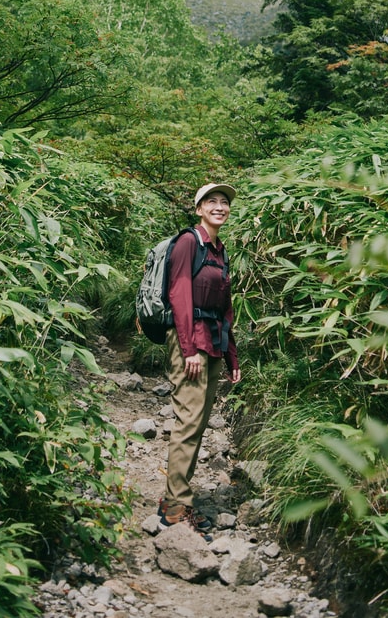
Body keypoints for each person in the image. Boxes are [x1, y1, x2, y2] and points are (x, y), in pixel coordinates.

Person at [158, 183, 240, 536]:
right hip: (190, 342)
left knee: (199, 423)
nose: (219, 207)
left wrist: (232, 356)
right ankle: (176, 507)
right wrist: (189, 348)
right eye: (212, 201)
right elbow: (179, 295)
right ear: (199, 208)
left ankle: (174, 498)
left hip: (214, 342)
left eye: (224, 202)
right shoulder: (189, 242)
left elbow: (225, 308)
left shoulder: (220, 250)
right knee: (189, 422)